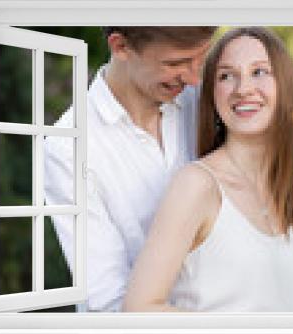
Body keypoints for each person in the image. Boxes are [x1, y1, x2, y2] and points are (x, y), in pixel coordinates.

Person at [123, 27, 293, 312]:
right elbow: (140, 308)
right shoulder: (197, 185)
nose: (243, 88)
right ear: (212, 97)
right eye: (226, 76)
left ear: (286, 86)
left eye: (259, 72)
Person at [44, 27, 216, 312]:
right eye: (175, 64)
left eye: (202, 57)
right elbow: (108, 300)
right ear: (121, 46)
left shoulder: (203, 104)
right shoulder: (69, 147)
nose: (195, 78)